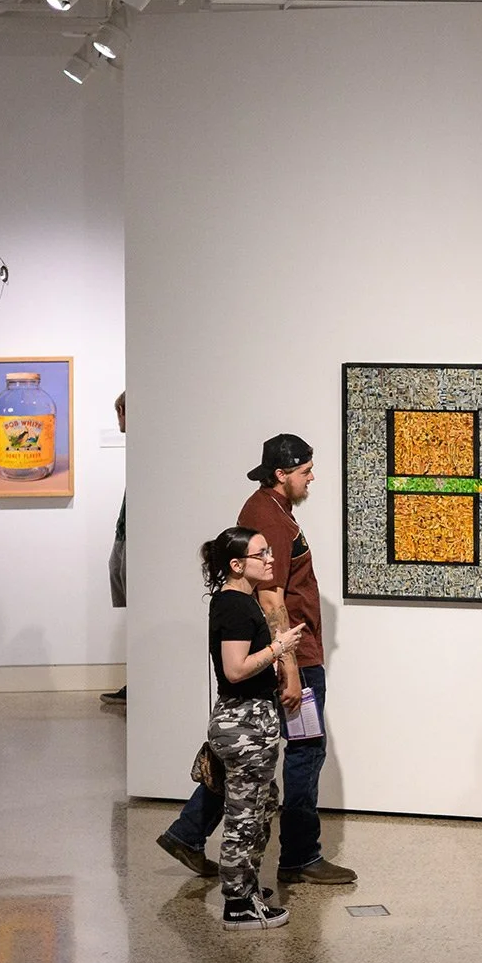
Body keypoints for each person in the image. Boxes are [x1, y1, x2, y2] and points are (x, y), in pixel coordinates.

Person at [155, 434, 357, 886]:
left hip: (295, 655)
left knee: (247, 757)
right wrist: (289, 670)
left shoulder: (269, 508)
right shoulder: (269, 516)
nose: (312, 478)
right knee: (305, 749)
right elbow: (271, 598)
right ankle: (301, 856)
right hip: (295, 658)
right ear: (282, 474)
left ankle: (188, 833)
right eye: (306, 471)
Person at [199, 525, 306, 929]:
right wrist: (279, 649)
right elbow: (235, 668)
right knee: (244, 817)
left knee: (260, 809)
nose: (271, 559)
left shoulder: (237, 602)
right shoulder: (235, 606)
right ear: (237, 564)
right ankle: (237, 904)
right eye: (262, 554)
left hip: (249, 720)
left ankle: (246, 889)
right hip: (244, 724)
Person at [102, 391, 128, 707]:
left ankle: (140, 681)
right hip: (125, 534)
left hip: (133, 535)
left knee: (136, 610)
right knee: (130, 609)